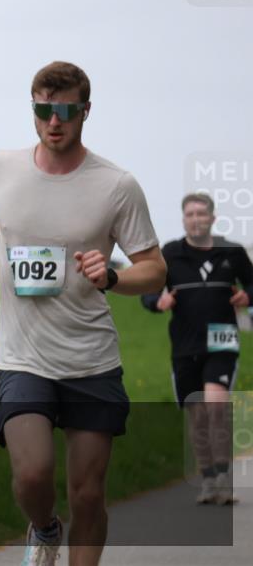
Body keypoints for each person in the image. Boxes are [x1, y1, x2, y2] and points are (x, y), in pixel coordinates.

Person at [0, 61, 165, 566]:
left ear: (86, 112)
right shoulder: (1, 167)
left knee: (88, 495)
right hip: (22, 357)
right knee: (31, 475)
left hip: (91, 359)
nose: (54, 122)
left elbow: (155, 269)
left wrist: (112, 276)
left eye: (66, 112)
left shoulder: (117, 185)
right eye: (43, 110)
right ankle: (45, 528)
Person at [141, 192, 252, 504]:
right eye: (190, 214)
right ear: (183, 219)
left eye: (201, 214)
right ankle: (208, 479)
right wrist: (157, 301)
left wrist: (247, 297)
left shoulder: (231, 252)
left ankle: (225, 478)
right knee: (198, 416)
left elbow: (252, 283)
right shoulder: (170, 254)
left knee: (216, 405)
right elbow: (148, 290)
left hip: (222, 340)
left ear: (212, 218)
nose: (195, 220)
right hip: (185, 345)